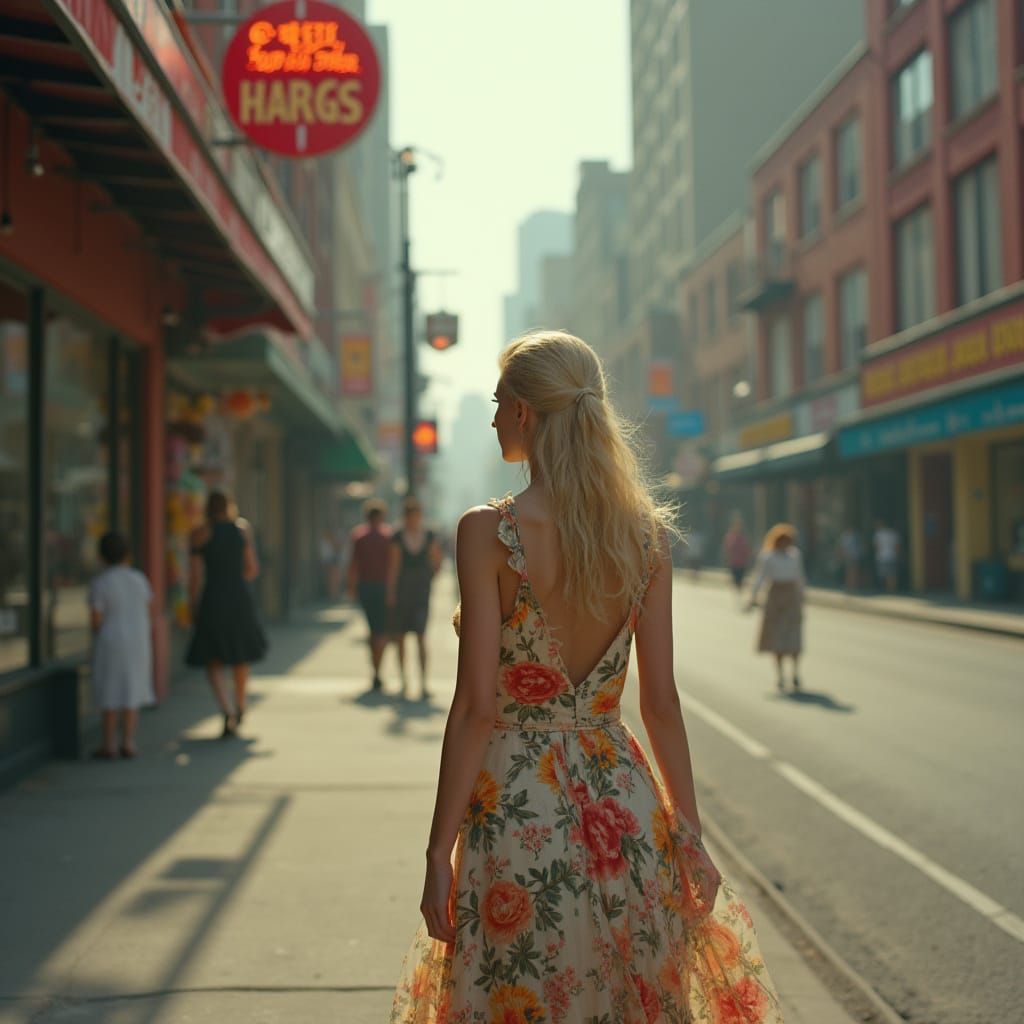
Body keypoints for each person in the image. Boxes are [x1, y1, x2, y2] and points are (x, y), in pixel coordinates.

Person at [391, 331, 782, 1023]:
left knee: (523, 997)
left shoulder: (488, 533)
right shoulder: (645, 537)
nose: (490, 419)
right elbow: (660, 704)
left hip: (515, 813)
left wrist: (436, 849)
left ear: (524, 414)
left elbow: (478, 707)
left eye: (496, 402)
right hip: (623, 810)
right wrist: (689, 837)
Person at [186, 492, 267, 737]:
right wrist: (235, 581)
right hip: (239, 598)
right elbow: (252, 568)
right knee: (240, 656)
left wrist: (193, 605)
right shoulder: (242, 530)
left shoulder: (200, 534)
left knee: (213, 658)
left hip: (213, 598)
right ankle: (241, 704)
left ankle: (227, 708)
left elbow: (196, 576)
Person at [88, 532, 154, 759]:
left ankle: (109, 744)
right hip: (137, 642)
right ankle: (128, 741)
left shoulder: (101, 582)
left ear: (101, 556)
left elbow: (96, 618)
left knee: (110, 692)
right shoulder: (138, 579)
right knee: (132, 691)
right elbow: (148, 609)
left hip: (111, 641)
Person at [387, 497, 442, 700]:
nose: (413, 520)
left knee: (421, 637)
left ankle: (423, 682)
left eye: (415, 516)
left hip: (421, 593)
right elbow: (394, 567)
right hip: (402, 592)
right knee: (400, 637)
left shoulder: (429, 536)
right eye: (409, 516)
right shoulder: (397, 537)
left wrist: (429, 577)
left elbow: (437, 560)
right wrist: (391, 593)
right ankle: (403, 681)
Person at [747, 523, 805, 692]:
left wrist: (801, 597)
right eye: (784, 541)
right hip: (775, 596)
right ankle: (780, 675)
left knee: (793, 636)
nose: (787, 545)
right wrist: (753, 597)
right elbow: (760, 577)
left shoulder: (795, 556)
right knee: (777, 636)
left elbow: (800, 577)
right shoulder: (768, 557)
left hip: (791, 595)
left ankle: (795, 672)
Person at [347, 498, 393, 691]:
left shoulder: (359, 536)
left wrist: (351, 588)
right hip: (383, 587)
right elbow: (394, 565)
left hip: (365, 587)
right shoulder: (388, 536)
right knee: (381, 630)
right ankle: (378, 669)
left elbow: (354, 565)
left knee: (372, 629)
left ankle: (375, 669)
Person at [722, 513, 753, 598]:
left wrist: (749, 558)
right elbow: (727, 549)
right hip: (733, 562)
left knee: (741, 579)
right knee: (735, 579)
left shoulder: (744, 537)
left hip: (742, 562)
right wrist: (727, 559)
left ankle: (739, 591)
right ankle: (737, 591)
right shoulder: (729, 536)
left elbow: (747, 549)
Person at [873, 519, 901, 593]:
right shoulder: (894, 533)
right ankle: (892, 590)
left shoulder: (878, 534)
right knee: (892, 574)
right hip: (892, 556)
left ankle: (888, 590)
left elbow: (877, 546)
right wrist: (897, 555)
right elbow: (897, 547)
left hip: (882, 556)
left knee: (884, 574)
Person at [838, 526, 863, 592]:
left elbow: (859, 547)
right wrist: (842, 555)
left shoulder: (856, 537)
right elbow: (842, 547)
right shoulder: (845, 536)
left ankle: (854, 585)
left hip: (854, 556)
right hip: (848, 556)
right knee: (848, 571)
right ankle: (848, 585)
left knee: (854, 571)